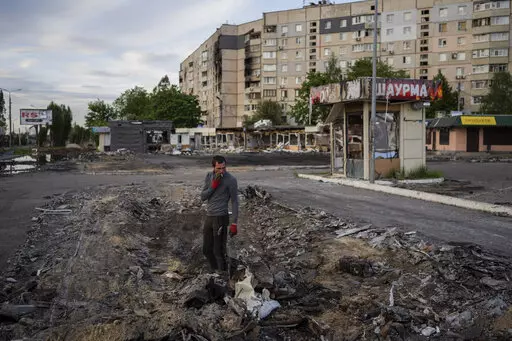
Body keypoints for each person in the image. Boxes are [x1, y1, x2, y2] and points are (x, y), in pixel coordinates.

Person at [200, 155, 239, 272]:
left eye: (224, 168)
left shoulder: (231, 179)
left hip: (221, 217)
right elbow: (203, 197)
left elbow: (235, 201)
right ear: (213, 167)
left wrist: (234, 223)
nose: (222, 171)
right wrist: (213, 186)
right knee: (206, 249)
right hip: (209, 216)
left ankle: (223, 275)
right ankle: (215, 271)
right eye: (219, 168)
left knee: (219, 251)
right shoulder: (209, 176)